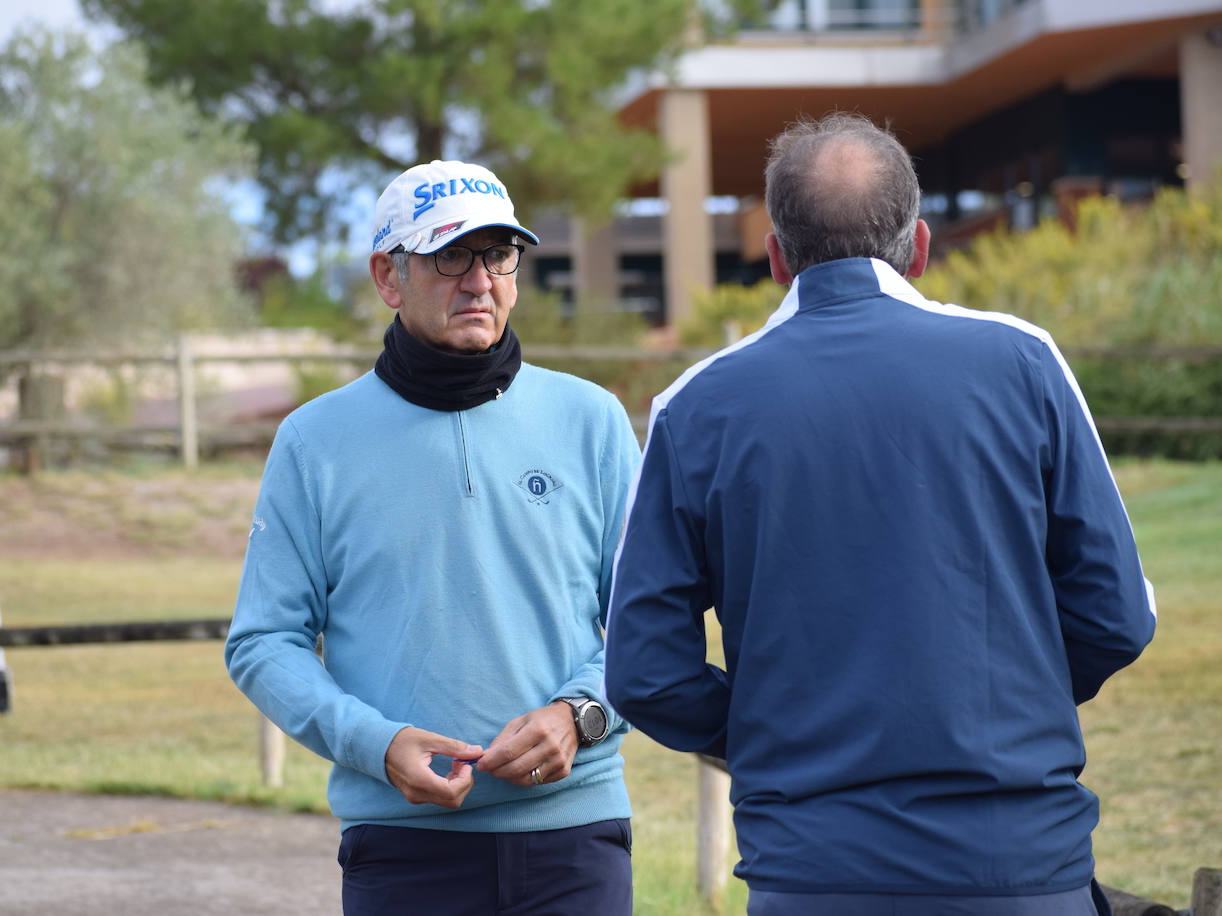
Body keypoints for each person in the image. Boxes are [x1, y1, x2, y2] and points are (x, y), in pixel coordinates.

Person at [604, 113, 1156, 916]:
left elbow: (644, 671)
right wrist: (993, 703)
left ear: (775, 258)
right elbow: (1118, 616)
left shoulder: (696, 407)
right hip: (1018, 864)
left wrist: (768, 729)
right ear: (920, 245)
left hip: (810, 869)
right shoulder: (1023, 361)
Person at [226, 159, 639, 915]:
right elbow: (262, 641)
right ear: (389, 275)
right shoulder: (314, 441)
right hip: (402, 848)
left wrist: (582, 715)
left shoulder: (593, 421)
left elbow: (652, 622)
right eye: (452, 255)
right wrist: (374, 745)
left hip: (575, 840)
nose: (480, 280)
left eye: (499, 254)